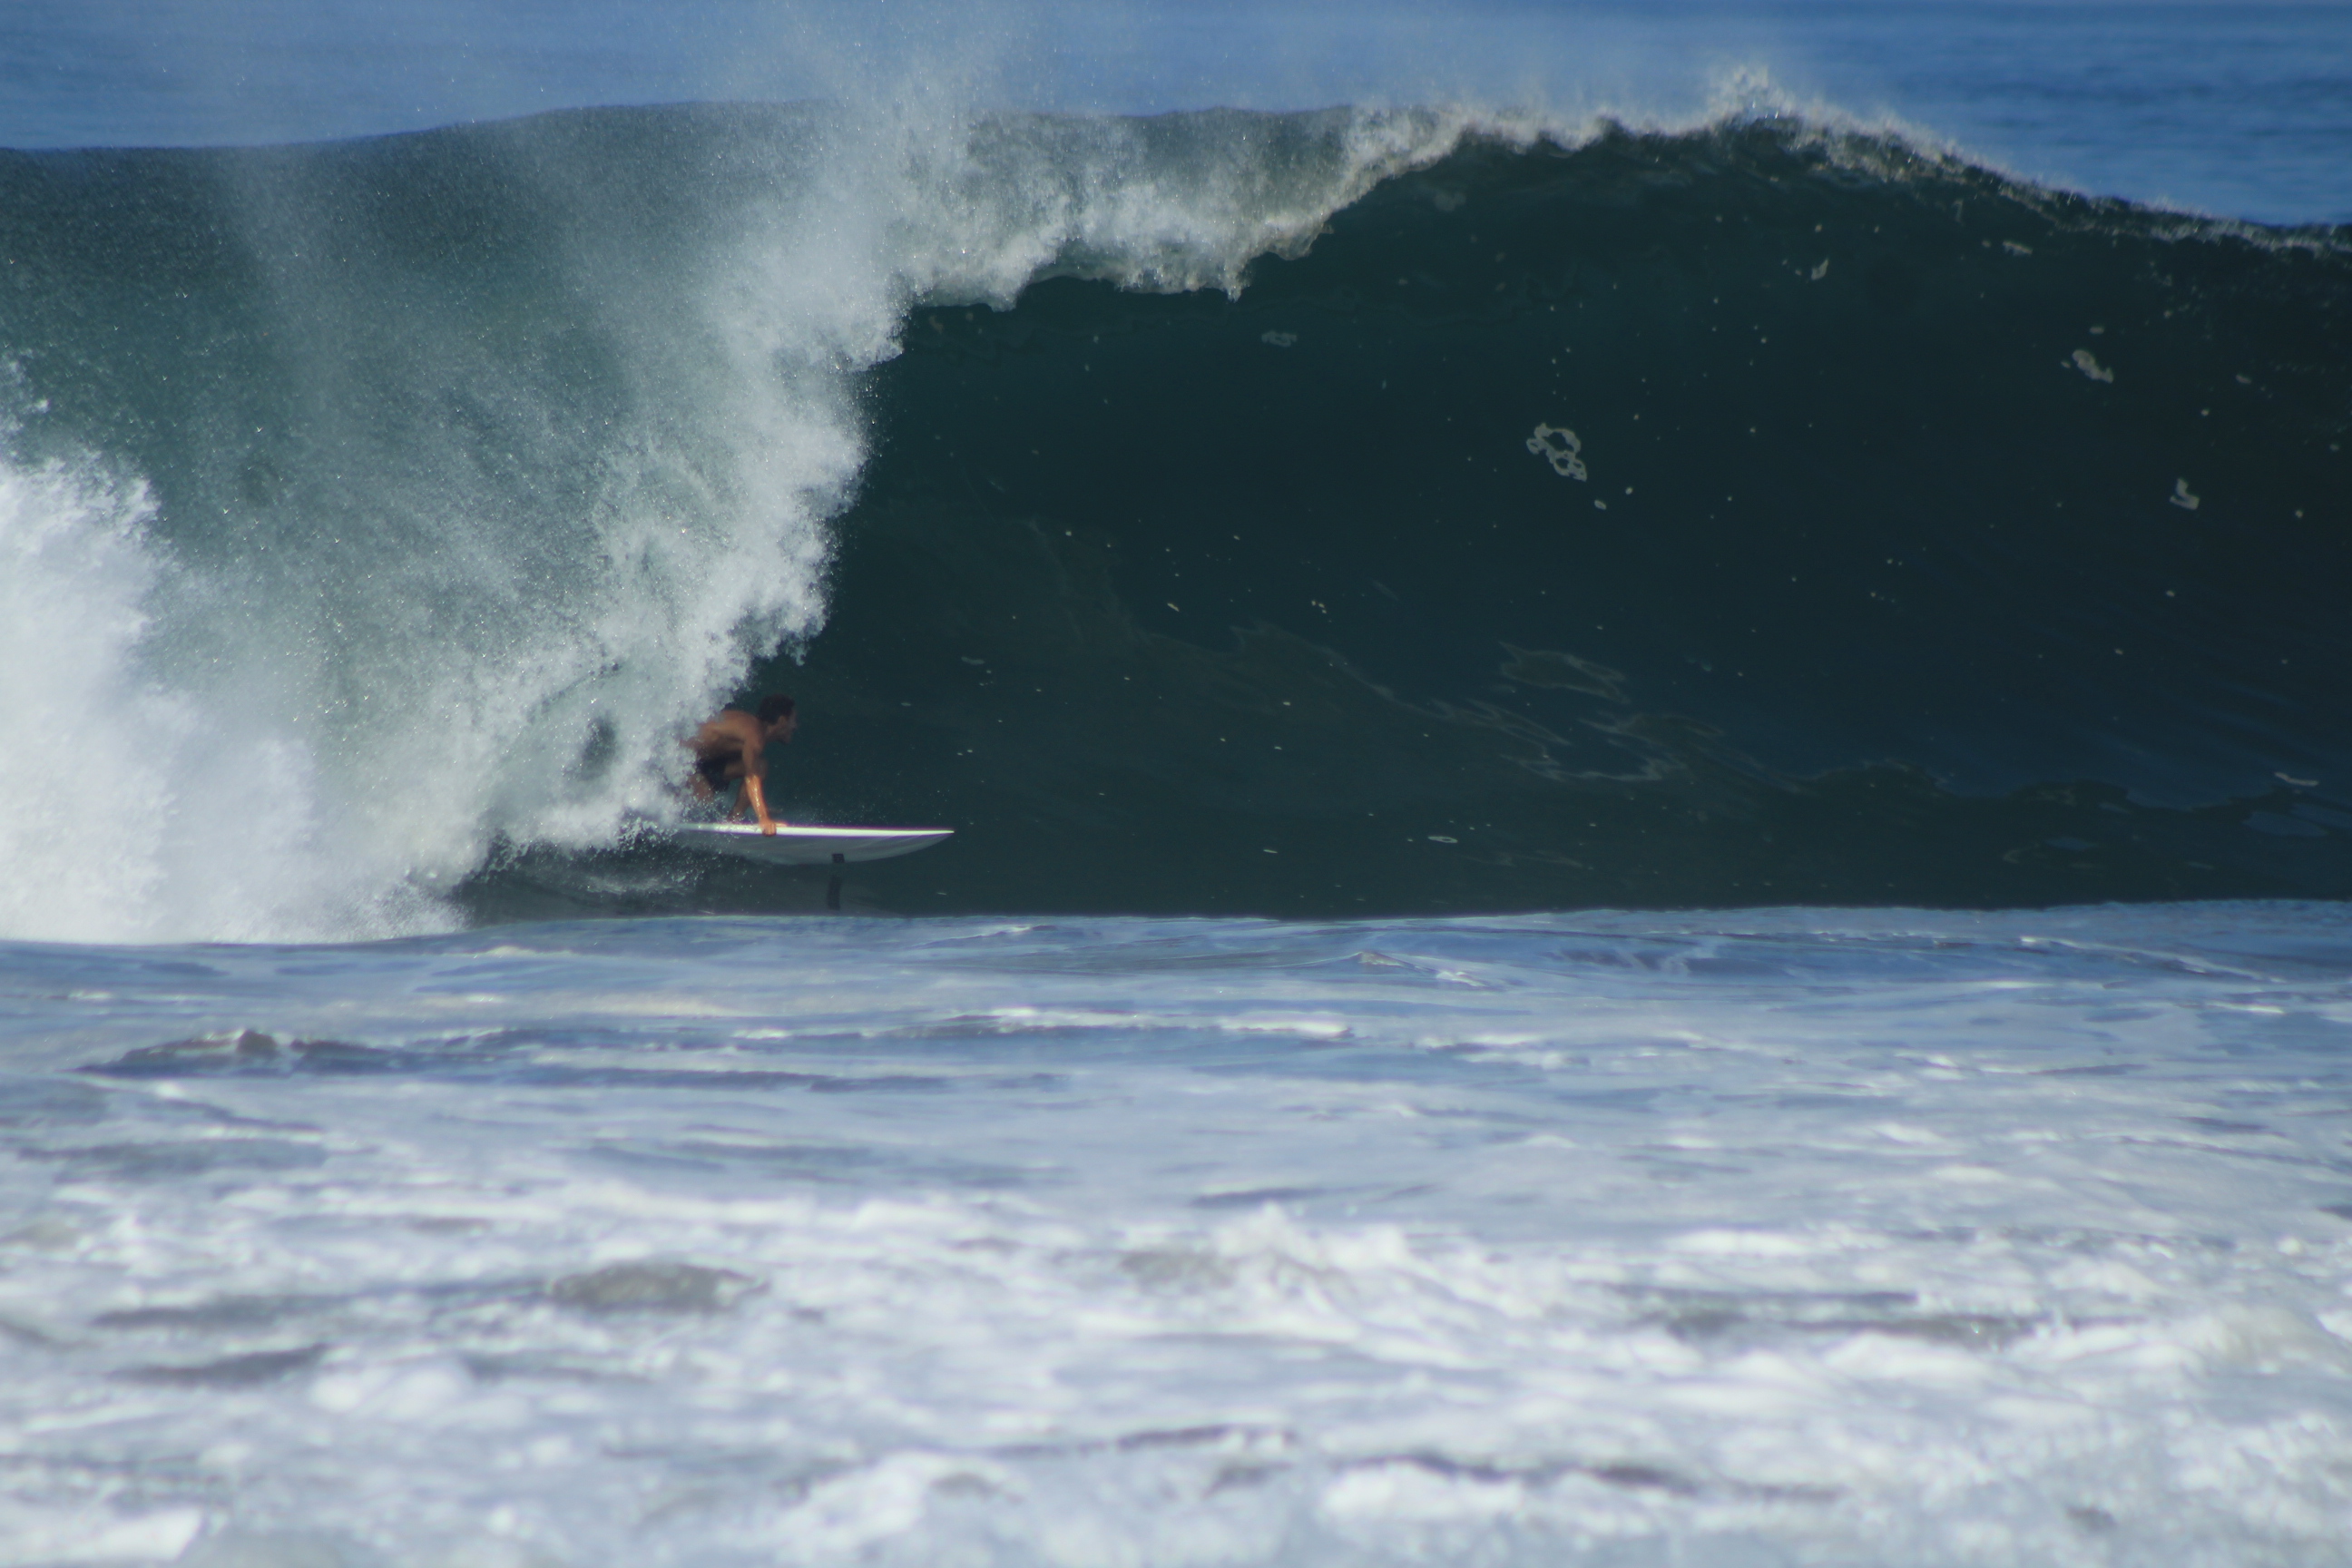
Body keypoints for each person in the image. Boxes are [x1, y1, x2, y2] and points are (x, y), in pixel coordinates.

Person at [683, 695, 796, 835]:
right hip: (680, 761)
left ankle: (734, 821)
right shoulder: (755, 734)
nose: (795, 726)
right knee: (705, 799)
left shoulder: (751, 730)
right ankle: (679, 826)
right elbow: (751, 777)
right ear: (782, 721)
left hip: (703, 762)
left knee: (760, 765)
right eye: (794, 720)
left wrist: (760, 806)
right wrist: (763, 818)